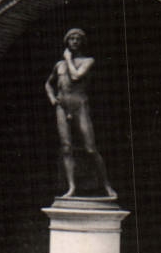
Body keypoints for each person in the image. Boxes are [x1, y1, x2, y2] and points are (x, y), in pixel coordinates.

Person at [44, 29, 112, 198]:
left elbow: (75, 76)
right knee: (66, 148)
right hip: (62, 105)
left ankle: (106, 185)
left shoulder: (88, 61)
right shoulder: (58, 65)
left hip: (79, 103)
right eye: (71, 39)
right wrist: (53, 98)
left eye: (77, 39)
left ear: (82, 42)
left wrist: (67, 59)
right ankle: (71, 187)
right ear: (67, 42)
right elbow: (48, 83)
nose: (74, 41)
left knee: (90, 147)